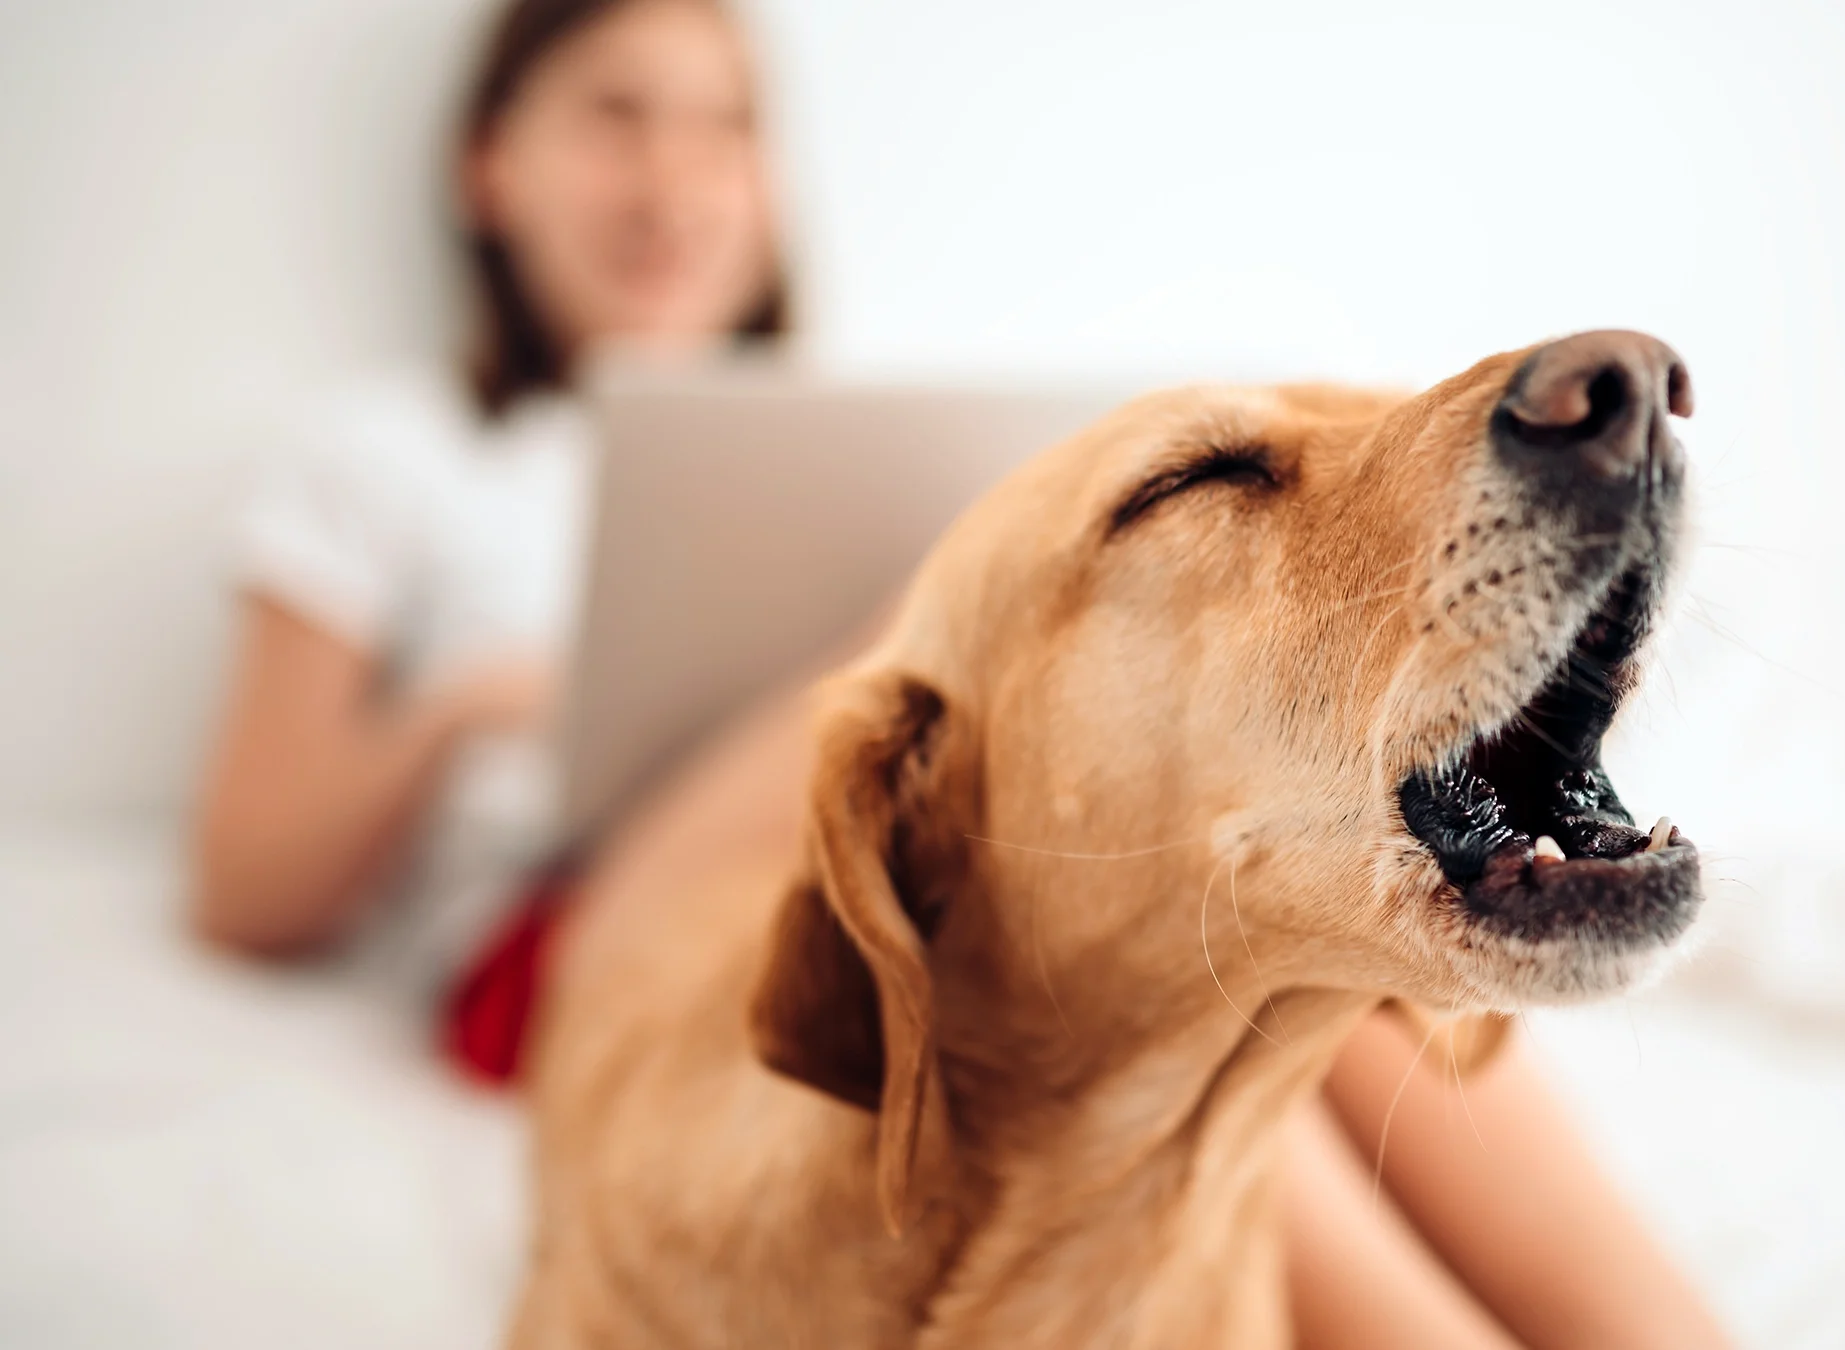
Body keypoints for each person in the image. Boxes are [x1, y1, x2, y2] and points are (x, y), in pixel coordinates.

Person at [187, 1, 1730, 1344]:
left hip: (963, 826)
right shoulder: (393, 456)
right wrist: (479, 699)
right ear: (487, 164)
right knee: (1142, 961)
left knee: (1270, 928)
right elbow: (247, 880)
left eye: (726, 128)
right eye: (616, 117)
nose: (675, 176)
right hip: (579, 910)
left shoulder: (839, 429)